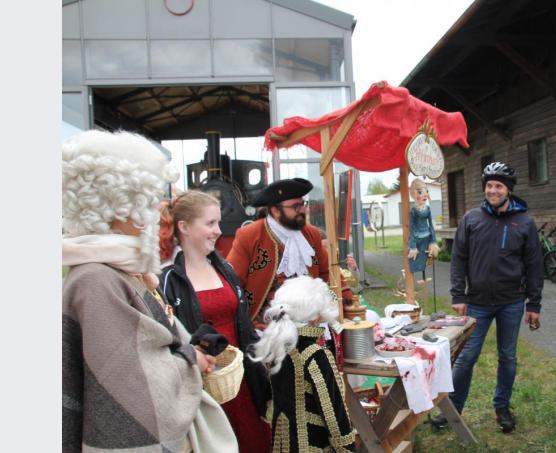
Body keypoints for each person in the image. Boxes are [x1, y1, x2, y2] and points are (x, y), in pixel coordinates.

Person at [62, 130, 235, 452]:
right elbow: (130, 390)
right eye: (150, 198)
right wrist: (190, 359)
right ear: (121, 205)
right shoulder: (96, 280)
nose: (159, 210)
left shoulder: (115, 268)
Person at [432, 161, 543, 433]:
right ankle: (453, 409)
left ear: (508, 190)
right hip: (477, 303)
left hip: (512, 302)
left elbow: (534, 265)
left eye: (498, 186)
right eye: (489, 186)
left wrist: (534, 303)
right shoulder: (471, 219)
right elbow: (458, 259)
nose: (492, 191)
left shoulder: (524, 223)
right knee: (467, 357)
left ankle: (502, 406)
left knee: (508, 357)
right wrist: (459, 294)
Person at [160, 190, 272, 453]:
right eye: (210, 223)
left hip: (240, 382)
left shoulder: (226, 270)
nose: (218, 231)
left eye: (218, 223)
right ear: (184, 227)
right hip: (205, 387)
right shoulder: (167, 280)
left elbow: (243, 325)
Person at [226, 178, 353, 330]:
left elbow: (328, 274)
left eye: (303, 204)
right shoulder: (249, 235)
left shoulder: (311, 234)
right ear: (275, 210)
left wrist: (346, 303)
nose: (303, 210)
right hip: (266, 326)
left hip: (312, 321)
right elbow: (232, 282)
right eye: (295, 206)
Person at [250, 276, 356, 452]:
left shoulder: (277, 348)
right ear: (315, 317)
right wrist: (348, 449)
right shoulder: (315, 355)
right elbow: (334, 417)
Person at [407, 178, 440, 277]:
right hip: (418, 238)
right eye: (420, 192)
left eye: (426, 191)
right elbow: (411, 228)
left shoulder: (428, 208)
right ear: (413, 194)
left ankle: (425, 276)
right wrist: (412, 245)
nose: (425, 194)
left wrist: (433, 240)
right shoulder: (413, 211)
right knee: (416, 260)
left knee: (428, 258)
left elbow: (431, 224)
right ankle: (422, 276)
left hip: (427, 236)